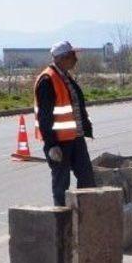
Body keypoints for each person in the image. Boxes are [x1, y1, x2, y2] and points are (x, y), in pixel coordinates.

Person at [35, 41, 95, 206]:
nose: (76, 59)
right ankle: (62, 218)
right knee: (61, 185)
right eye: (72, 55)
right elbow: (44, 116)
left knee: (87, 179)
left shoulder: (65, 77)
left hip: (76, 138)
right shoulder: (47, 80)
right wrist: (51, 145)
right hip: (59, 142)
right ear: (61, 58)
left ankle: (84, 215)